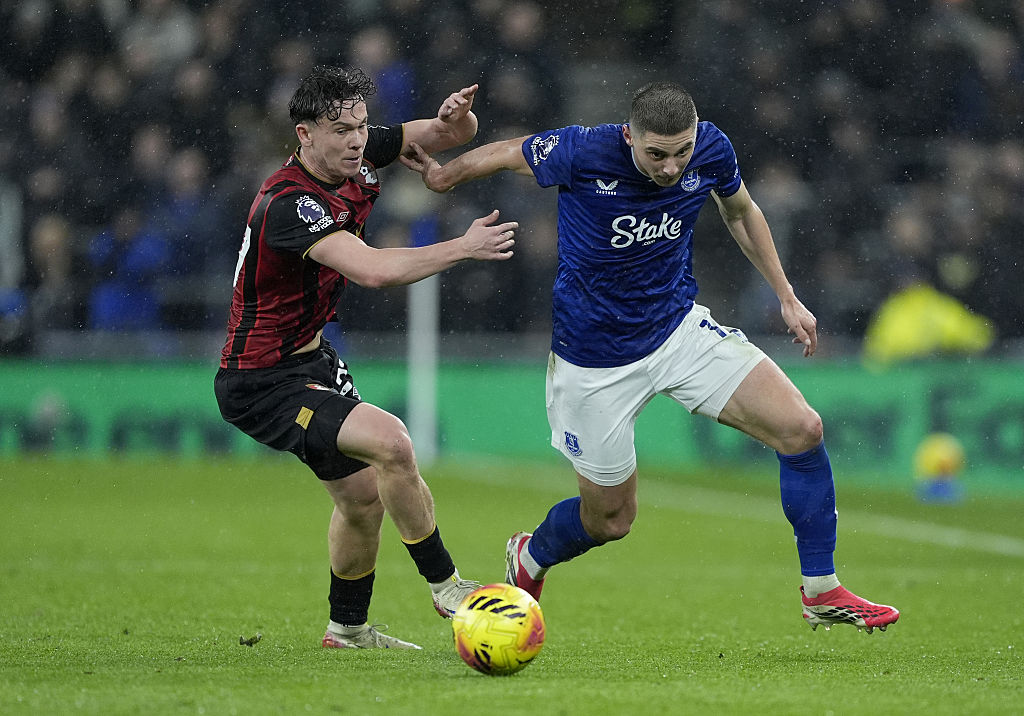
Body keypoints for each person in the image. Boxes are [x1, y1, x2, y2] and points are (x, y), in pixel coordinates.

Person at [402, 81, 899, 633]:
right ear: (629, 137)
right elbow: (508, 151)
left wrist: (786, 294)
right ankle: (531, 556)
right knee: (611, 520)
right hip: (592, 360)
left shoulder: (711, 148)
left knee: (802, 428)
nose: (670, 167)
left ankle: (821, 591)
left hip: (678, 330)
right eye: (656, 153)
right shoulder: (585, 150)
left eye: (680, 151)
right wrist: (445, 176)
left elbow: (741, 211)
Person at [214, 66, 518, 650]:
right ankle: (448, 586)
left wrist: (460, 120)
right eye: (340, 131)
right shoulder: (289, 203)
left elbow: (449, 136)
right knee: (393, 443)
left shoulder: (357, 150)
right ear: (305, 134)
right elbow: (375, 270)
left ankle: (347, 629)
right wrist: (463, 247)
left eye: (360, 125)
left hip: (311, 362)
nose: (357, 140)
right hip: (260, 380)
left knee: (361, 501)